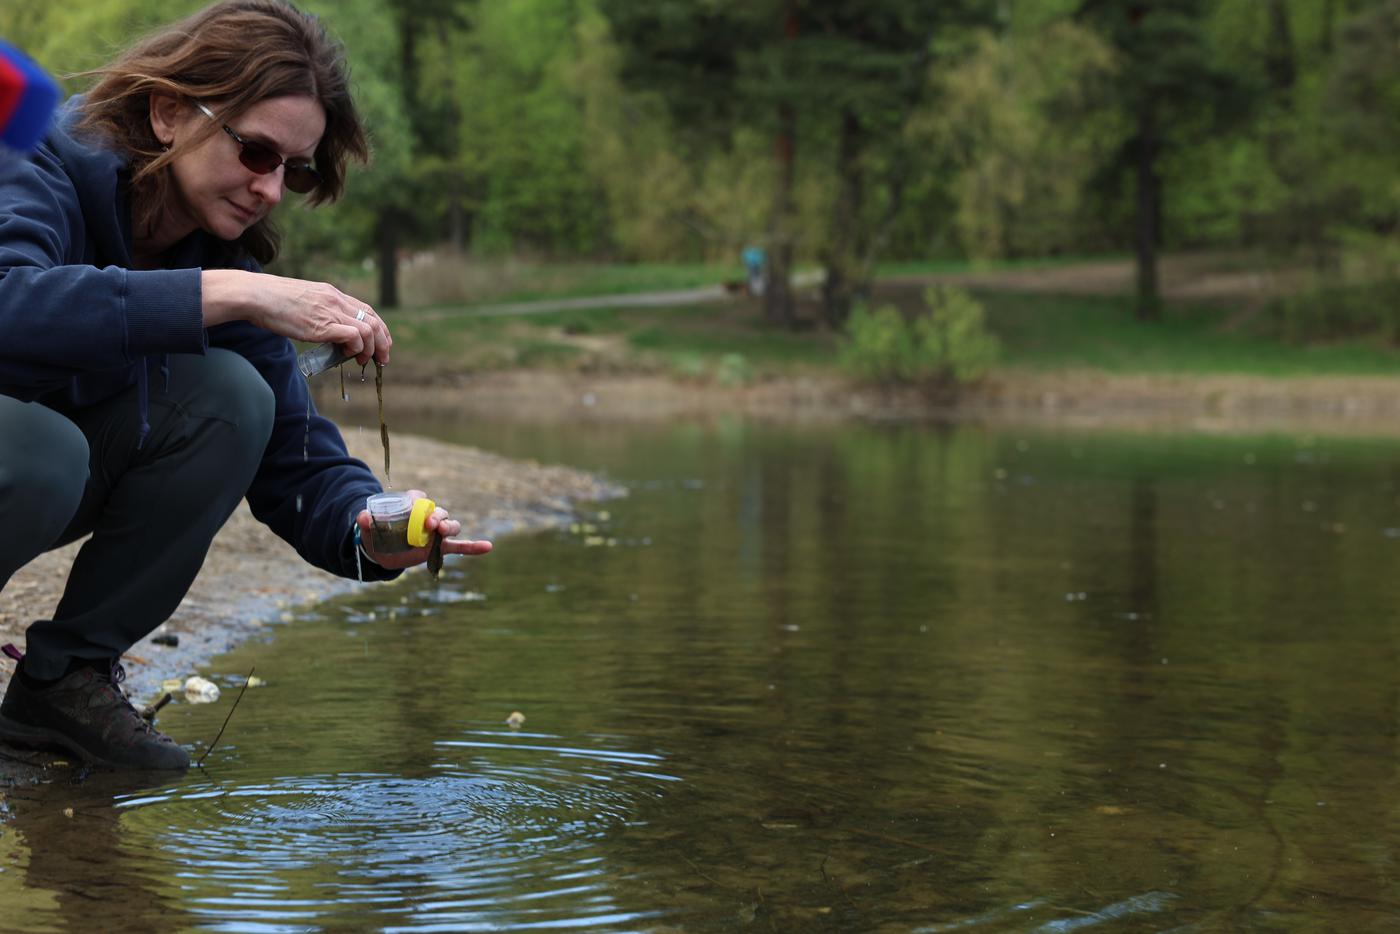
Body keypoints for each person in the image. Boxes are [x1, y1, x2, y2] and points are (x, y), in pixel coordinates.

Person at [0, 0, 492, 770]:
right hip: (25, 454)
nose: (271, 189)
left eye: (294, 170)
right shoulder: (35, 156)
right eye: (257, 153)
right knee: (46, 450)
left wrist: (366, 527)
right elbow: (9, 304)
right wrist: (232, 293)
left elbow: (294, 459)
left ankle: (63, 683)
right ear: (169, 112)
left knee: (233, 397)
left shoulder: (210, 253)